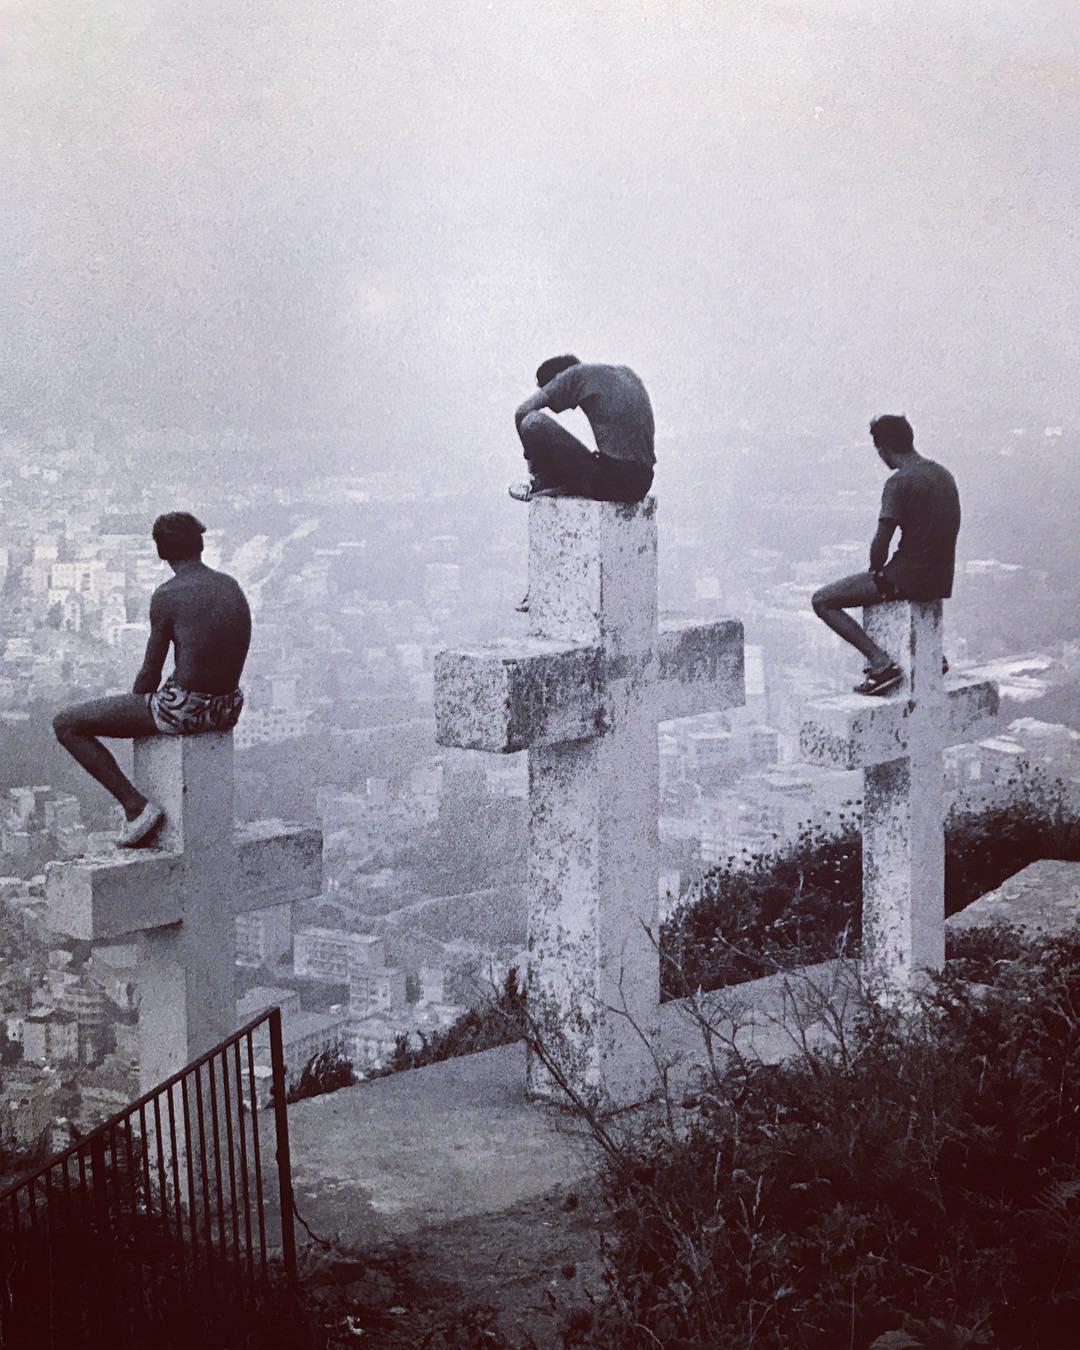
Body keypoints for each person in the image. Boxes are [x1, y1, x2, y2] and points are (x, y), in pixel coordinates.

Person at [53, 512, 251, 846]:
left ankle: (135, 808)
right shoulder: (230, 585)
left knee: (66, 724)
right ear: (200, 544)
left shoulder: (167, 595)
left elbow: (149, 674)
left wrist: (134, 706)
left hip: (184, 711)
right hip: (227, 708)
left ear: (162, 551)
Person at [811, 415, 961, 696]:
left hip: (908, 578)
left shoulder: (899, 482)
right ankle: (930, 654)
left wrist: (875, 572)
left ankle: (881, 664)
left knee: (822, 601)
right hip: (940, 580)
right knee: (885, 584)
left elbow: (881, 541)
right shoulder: (943, 474)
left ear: (882, 449)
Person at [509, 355, 655, 504]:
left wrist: (533, 470)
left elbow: (521, 412)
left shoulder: (574, 374)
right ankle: (567, 483)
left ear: (558, 379)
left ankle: (544, 483)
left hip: (612, 482)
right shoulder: (626, 373)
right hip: (642, 483)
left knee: (531, 422)